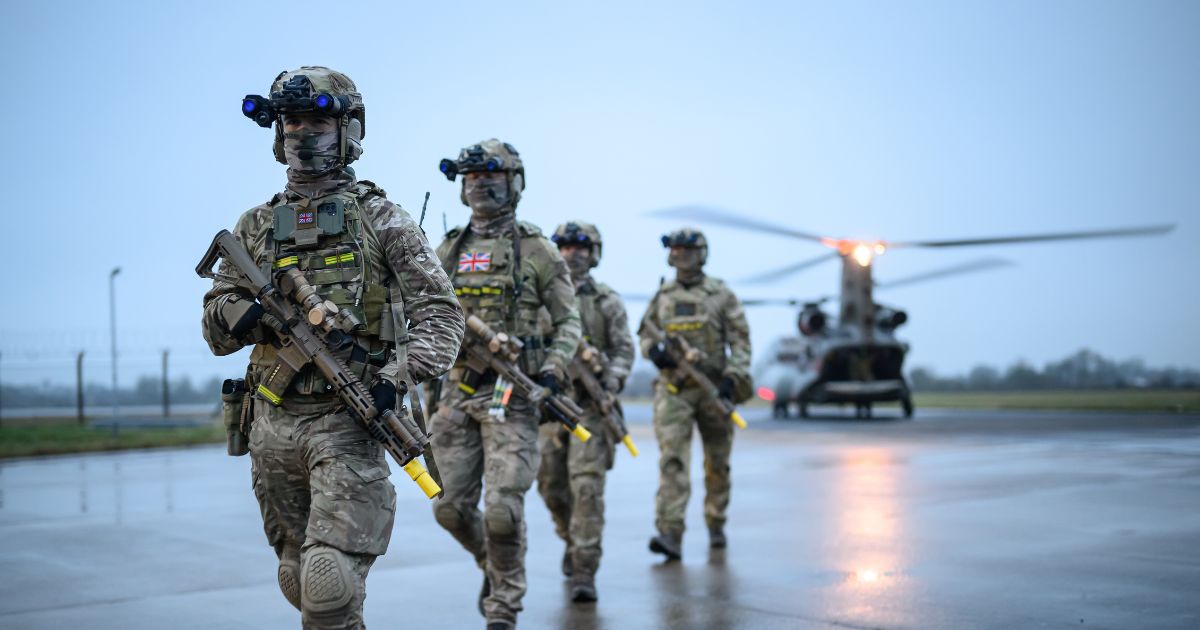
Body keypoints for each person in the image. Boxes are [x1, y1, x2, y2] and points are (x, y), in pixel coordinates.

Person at [201, 66, 465, 629]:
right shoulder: (254, 226)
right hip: (270, 423)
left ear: (348, 130)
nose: (302, 133)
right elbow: (215, 328)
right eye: (291, 121)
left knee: (329, 584)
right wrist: (242, 314)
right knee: (297, 578)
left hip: (347, 422)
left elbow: (441, 316)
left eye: (316, 121)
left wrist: (398, 375)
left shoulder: (381, 219)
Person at [429, 139, 582, 629]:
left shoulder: (537, 250)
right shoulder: (447, 250)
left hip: (513, 397)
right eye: (471, 177)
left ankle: (504, 605)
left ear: (514, 182)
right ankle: (491, 565)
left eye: (490, 175)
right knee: (449, 509)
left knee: (502, 511)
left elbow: (569, 321)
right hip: (456, 393)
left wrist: (553, 368)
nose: (480, 184)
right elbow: (424, 312)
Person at [536, 221, 635, 602]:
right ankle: (571, 539)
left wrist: (611, 379)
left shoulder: (607, 300)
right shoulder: (540, 296)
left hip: (590, 408)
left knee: (587, 488)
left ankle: (584, 568)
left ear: (594, 254)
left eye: (580, 246)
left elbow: (624, 349)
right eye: (564, 246)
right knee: (552, 488)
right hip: (550, 408)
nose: (572, 253)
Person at [638, 227, 752, 560]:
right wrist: (654, 352)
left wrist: (733, 377)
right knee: (672, 460)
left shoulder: (721, 294)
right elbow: (645, 333)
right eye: (676, 249)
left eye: (688, 250)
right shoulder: (663, 295)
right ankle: (670, 533)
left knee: (718, 462)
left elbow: (741, 340)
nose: (681, 255)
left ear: (702, 254)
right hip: (674, 391)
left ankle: (716, 521)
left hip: (714, 389)